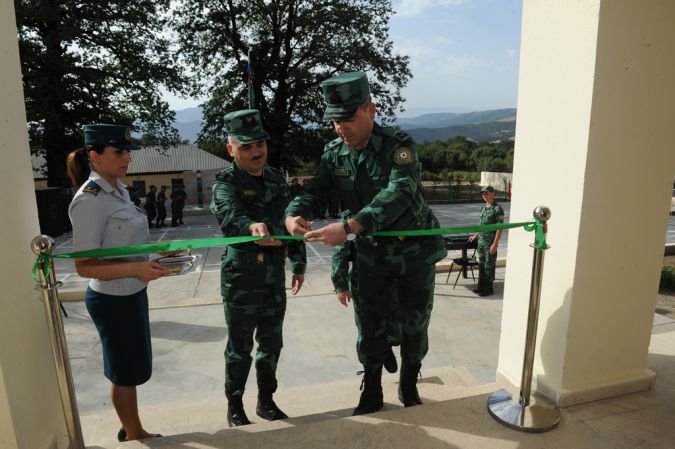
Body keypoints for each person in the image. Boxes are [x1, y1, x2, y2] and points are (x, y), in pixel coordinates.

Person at [285, 71, 447, 415]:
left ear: (370, 110)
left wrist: (350, 226)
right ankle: (371, 388)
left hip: (412, 255)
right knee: (369, 324)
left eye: (348, 118)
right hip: (371, 256)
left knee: (414, 323)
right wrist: (293, 214)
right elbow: (315, 190)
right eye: (334, 121)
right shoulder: (334, 154)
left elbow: (400, 192)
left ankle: (409, 381)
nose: (341, 128)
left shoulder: (398, 146)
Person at [66, 124, 171, 442]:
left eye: (128, 150)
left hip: (133, 292)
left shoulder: (119, 190)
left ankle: (131, 425)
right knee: (124, 372)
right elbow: (85, 266)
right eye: (119, 151)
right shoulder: (89, 200)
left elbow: (126, 244)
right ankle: (135, 433)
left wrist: (162, 254)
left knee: (133, 366)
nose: (127, 157)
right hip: (112, 300)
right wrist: (136, 268)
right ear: (95, 156)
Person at [210, 109, 306, 427]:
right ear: (231, 149)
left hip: (273, 274)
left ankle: (266, 401)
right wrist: (251, 226)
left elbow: (289, 221)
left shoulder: (277, 178)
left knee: (271, 343)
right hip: (242, 276)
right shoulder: (225, 182)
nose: (256, 152)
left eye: (260, 144)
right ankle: (234, 405)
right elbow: (229, 214)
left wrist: (299, 262)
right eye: (247, 146)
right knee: (240, 347)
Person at [331, 235, 400, 375]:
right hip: (364, 281)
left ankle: (386, 346)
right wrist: (340, 285)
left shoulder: (398, 213)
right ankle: (371, 378)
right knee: (368, 329)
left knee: (396, 323)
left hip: (396, 277)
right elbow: (340, 248)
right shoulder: (354, 214)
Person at [468, 185, 504, 297]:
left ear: (493, 194)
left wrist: (495, 244)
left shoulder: (497, 209)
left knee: (489, 266)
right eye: (483, 194)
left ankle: (488, 289)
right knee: (482, 265)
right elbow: (482, 225)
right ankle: (481, 286)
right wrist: (476, 235)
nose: (484, 195)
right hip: (481, 242)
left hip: (490, 243)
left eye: (486, 193)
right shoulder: (483, 208)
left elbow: (500, 228)